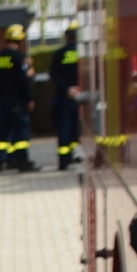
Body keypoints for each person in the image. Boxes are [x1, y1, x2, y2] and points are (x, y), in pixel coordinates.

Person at [0, 24, 37, 171]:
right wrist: (30, 98)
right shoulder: (19, 58)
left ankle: (3, 160)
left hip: (1, 100)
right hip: (17, 101)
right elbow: (23, 80)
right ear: (20, 40)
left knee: (4, 131)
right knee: (20, 131)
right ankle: (23, 161)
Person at [51, 23, 83, 168]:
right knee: (77, 127)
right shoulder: (83, 53)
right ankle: (76, 154)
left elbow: (54, 74)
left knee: (64, 128)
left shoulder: (59, 53)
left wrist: (67, 89)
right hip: (82, 96)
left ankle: (64, 160)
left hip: (64, 97)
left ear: (67, 37)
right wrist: (79, 89)